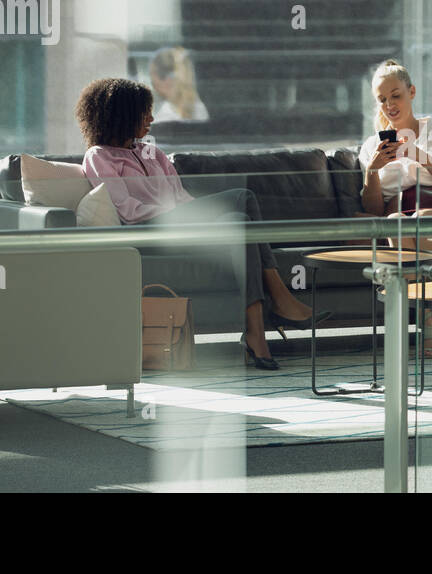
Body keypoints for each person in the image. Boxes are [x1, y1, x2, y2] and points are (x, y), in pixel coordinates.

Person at [76, 77, 322, 371]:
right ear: (122, 114)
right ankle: (280, 298)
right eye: (144, 113)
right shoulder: (99, 156)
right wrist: (180, 215)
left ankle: (257, 335)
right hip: (147, 233)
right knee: (242, 197)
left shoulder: (153, 153)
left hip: (181, 227)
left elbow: (182, 196)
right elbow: (127, 209)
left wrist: (197, 217)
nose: (152, 119)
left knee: (239, 222)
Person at [358, 59, 432, 358]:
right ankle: (426, 320)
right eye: (382, 99)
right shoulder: (372, 146)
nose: (389, 105)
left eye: (395, 95)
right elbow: (373, 209)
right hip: (401, 215)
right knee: (396, 220)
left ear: (411, 92)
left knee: (422, 219)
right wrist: (372, 171)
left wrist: (416, 154)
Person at [148, 47, 209, 123]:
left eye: (152, 74)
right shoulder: (199, 107)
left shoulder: (165, 115)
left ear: (165, 79)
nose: (151, 82)